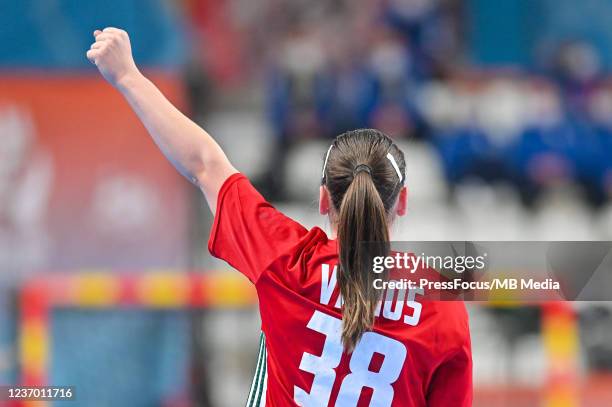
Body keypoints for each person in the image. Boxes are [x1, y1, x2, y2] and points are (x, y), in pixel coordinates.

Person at [87, 27, 472, 406]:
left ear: (323, 199)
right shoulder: (441, 304)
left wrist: (127, 76)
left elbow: (204, 163)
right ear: (402, 201)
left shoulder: (287, 260)